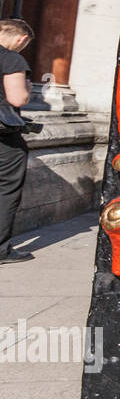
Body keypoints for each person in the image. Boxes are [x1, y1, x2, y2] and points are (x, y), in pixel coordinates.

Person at [0, 19, 35, 264]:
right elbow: (17, 98)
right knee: (5, 189)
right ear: (21, 39)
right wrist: (28, 89)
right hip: (4, 140)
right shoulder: (11, 59)